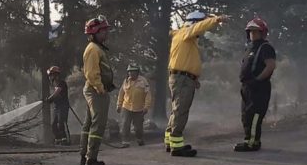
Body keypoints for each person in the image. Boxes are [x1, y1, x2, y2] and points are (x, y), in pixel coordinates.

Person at [165, 11, 229, 157]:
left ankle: (171, 142)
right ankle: (176, 146)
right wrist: (216, 19)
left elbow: (186, 60)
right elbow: (198, 28)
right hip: (182, 79)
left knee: (177, 109)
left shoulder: (184, 37)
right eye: (200, 22)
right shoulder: (186, 33)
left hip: (183, 78)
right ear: (194, 22)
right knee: (181, 110)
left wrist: (193, 78)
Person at [235, 17, 276, 152]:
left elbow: (270, 66)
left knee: (254, 115)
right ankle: (250, 140)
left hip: (259, 87)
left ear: (262, 32)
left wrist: (258, 80)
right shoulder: (249, 48)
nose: (252, 34)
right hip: (247, 87)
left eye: (255, 31)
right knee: (246, 115)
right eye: (250, 31)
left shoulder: (265, 47)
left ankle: (252, 143)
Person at [80, 16, 114, 165]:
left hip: (93, 88)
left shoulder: (96, 48)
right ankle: (91, 161)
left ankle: (85, 157)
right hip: (96, 90)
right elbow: (92, 73)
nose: (106, 32)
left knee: (88, 124)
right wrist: (100, 89)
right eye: (103, 30)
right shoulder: (93, 49)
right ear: (95, 32)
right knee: (97, 125)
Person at [116, 64, 152, 146]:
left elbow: (148, 95)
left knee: (138, 127)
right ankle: (125, 142)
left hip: (139, 108)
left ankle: (140, 139)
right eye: (129, 72)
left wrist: (146, 106)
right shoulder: (126, 81)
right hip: (127, 107)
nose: (131, 74)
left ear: (137, 72)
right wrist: (119, 105)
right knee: (125, 124)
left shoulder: (143, 81)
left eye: (133, 72)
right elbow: (121, 94)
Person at [45, 66, 70, 145]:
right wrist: (50, 99)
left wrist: (50, 99)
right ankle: (58, 139)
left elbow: (57, 93)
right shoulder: (55, 84)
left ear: (56, 75)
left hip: (63, 106)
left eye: (51, 75)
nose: (50, 77)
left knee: (61, 122)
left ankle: (65, 140)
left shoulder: (61, 83)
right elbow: (55, 94)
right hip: (57, 107)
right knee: (54, 125)